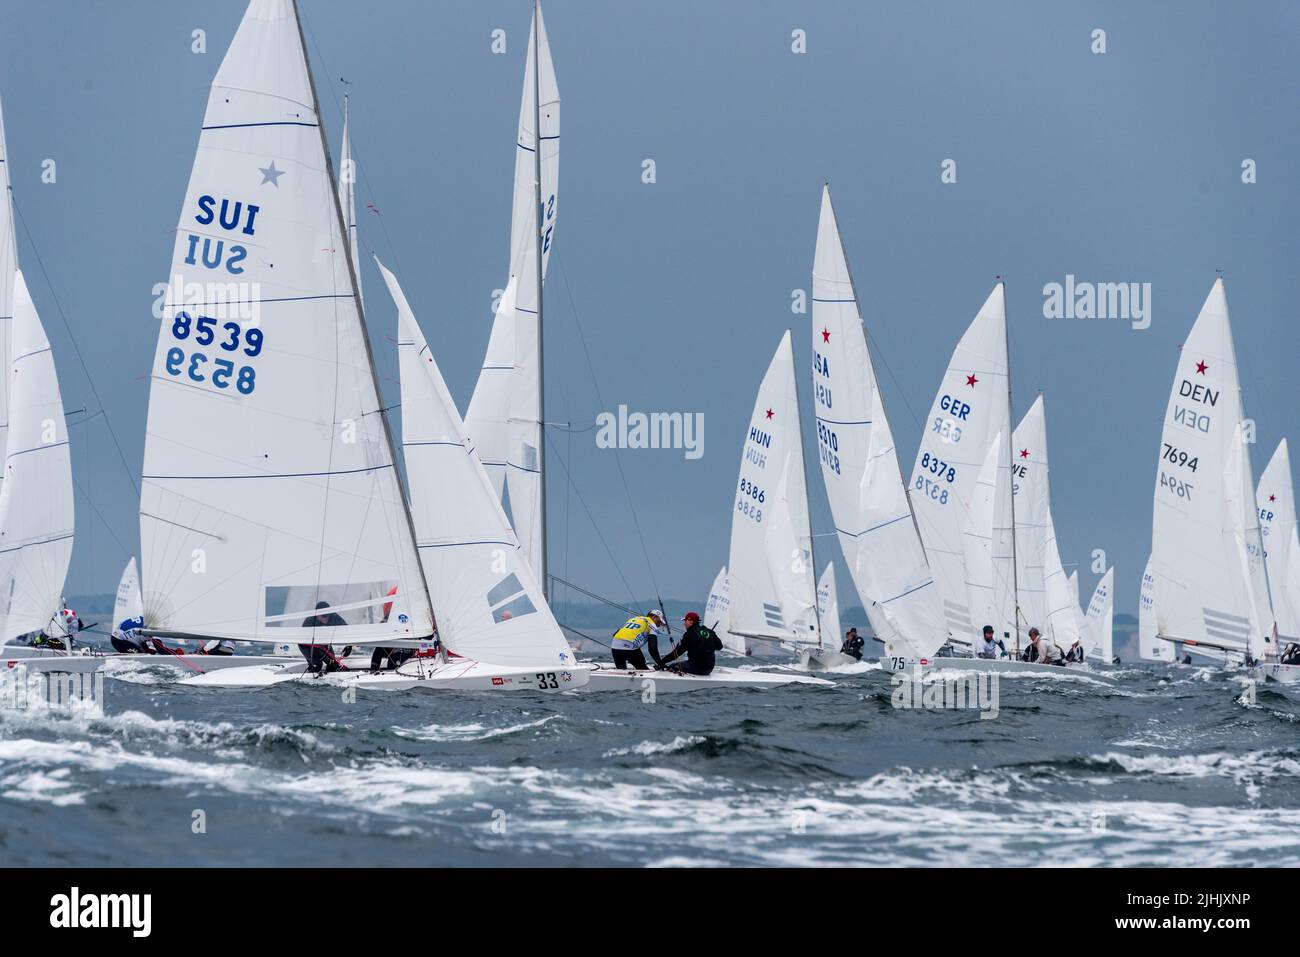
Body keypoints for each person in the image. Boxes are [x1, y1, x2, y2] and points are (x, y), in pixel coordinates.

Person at [658, 612, 723, 676]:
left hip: (697, 668)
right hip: (709, 668)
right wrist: (707, 643)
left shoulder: (689, 634)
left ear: (690, 621)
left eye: (685, 621)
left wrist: (662, 662)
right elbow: (719, 647)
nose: (684, 624)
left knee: (672, 666)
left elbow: (677, 652)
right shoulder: (709, 631)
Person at [299, 601, 349, 673]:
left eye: (327, 615)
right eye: (323, 616)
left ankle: (330, 678)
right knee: (318, 664)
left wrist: (349, 645)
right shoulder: (309, 621)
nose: (325, 618)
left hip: (323, 643)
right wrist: (325, 658)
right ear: (316, 615)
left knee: (332, 664)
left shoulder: (334, 617)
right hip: (307, 645)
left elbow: (347, 629)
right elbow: (304, 640)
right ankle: (311, 673)